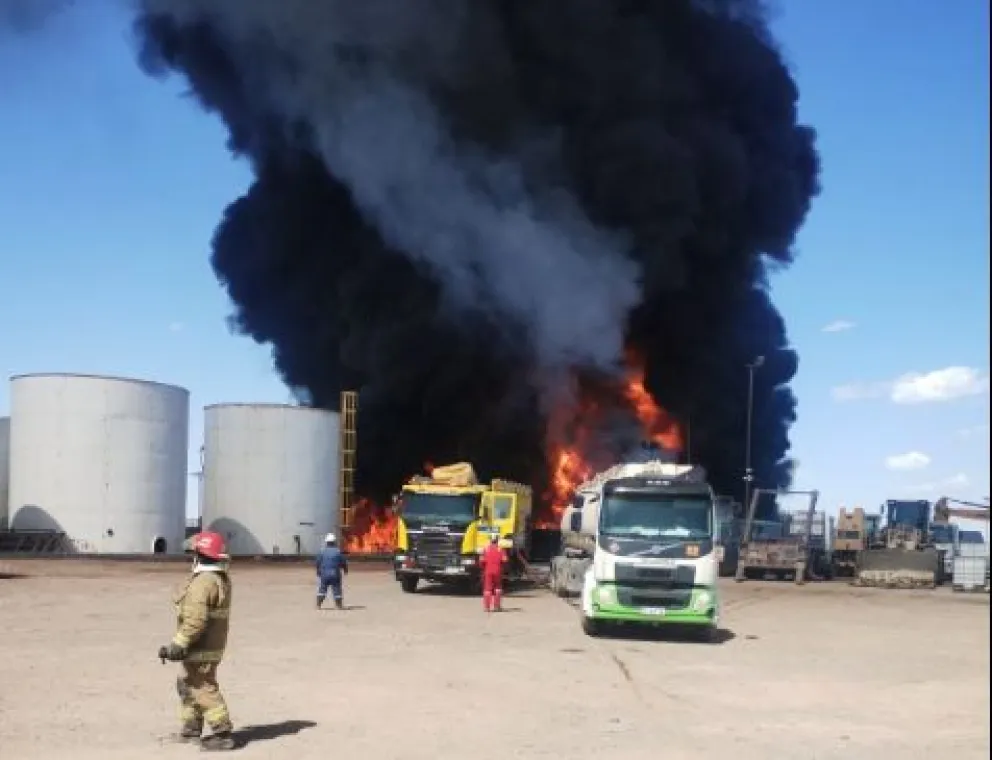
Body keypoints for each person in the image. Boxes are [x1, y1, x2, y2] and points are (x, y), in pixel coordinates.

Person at [157, 531, 235, 752]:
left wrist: (178, 644)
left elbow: (195, 620)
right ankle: (191, 729)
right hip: (208, 644)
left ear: (200, 555)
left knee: (202, 686)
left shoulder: (204, 582)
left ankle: (222, 733)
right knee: (186, 683)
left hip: (200, 646)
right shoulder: (218, 579)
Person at [316, 532, 349, 609]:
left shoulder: (322, 552)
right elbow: (343, 562)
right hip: (335, 574)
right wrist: (345, 570)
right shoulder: (338, 552)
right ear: (334, 542)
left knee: (322, 588)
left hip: (324, 574)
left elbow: (318, 562)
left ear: (326, 542)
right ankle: (339, 606)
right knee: (337, 589)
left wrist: (318, 571)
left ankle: (318, 605)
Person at [479, 534, 506, 612]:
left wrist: (483, 569)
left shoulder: (485, 549)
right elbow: (504, 560)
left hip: (488, 571)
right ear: (497, 540)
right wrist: (502, 568)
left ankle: (487, 607)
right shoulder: (501, 549)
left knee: (487, 589)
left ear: (490, 540)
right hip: (498, 571)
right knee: (498, 588)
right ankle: (497, 607)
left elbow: (481, 561)